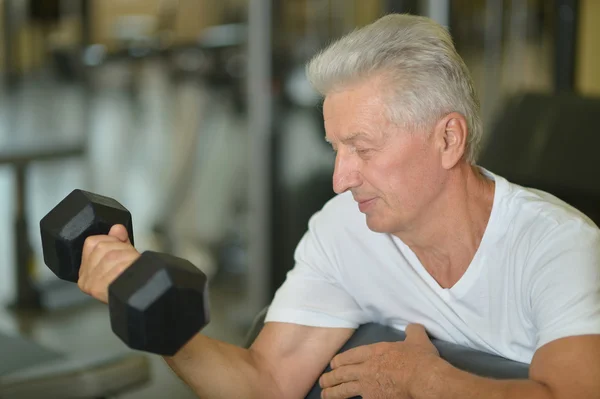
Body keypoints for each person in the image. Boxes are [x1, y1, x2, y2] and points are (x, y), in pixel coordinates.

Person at [77, 14, 600, 399]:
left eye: (363, 149)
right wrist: (162, 321)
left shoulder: (557, 246)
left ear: (447, 139)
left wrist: (429, 380)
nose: (339, 179)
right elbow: (266, 384)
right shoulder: (345, 229)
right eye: (336, 149)